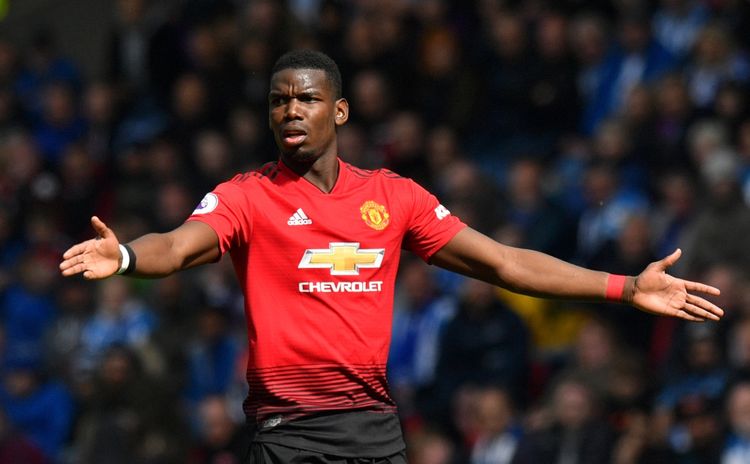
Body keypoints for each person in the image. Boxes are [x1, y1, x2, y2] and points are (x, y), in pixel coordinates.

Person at [59, 49, 724, 463]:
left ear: (340, 110)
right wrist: (124, 259)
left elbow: (502, 262)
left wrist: (622, 287)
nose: (292, 109)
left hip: (376, 434)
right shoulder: (246, 197)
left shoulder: (393, 198)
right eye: (279, 100)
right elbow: (175, 247)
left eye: (307, 98)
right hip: (288, 436)